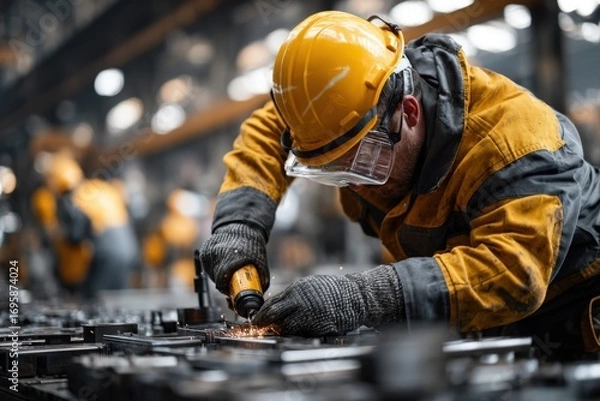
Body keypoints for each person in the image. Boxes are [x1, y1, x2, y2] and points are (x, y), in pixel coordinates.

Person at [199, 11, 600, 354]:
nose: (356, 187)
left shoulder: (518, 144)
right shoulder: (342, 105)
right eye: (335, 171)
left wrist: (367, 297)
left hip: (571, 322)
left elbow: (513, 272)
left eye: (363, 162)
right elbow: (272, 128)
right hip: (475, 329)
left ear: (408, 112)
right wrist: (241, 222)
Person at [44, 153, 140, 299]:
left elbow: (75, 237)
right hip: (129, 248)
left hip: (107, 251)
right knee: (119, 299)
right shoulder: (101, 187)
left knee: (97, 301)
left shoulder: (77, 197)